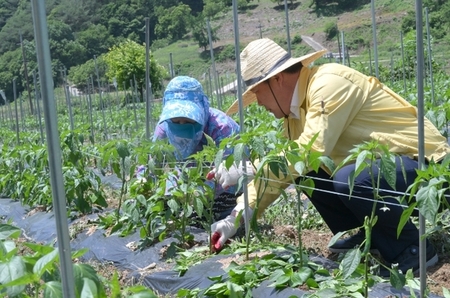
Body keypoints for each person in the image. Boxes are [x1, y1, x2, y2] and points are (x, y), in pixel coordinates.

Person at [207, 38, 450, 276]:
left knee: (346, 176)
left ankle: (412, 248)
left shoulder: (328, 83)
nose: (258, 103)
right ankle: (378, 235)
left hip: (428, 168)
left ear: (277, 79)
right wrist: (236, 217)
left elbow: (312, 151)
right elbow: (283, 171)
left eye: (257, 93)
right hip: (388, 174)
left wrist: (251, 167)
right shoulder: (293, 118)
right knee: (305, 172)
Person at [141, 75, 241, 221]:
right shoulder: (164, 127)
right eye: (177, 120)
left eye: (188, 120)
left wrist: (197, 195)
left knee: (208, 215)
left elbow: (229, 171)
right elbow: (151, 163)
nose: (181, 125)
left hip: (225, 186)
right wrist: (143, 182)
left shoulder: (221, 128)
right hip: (187, 180)